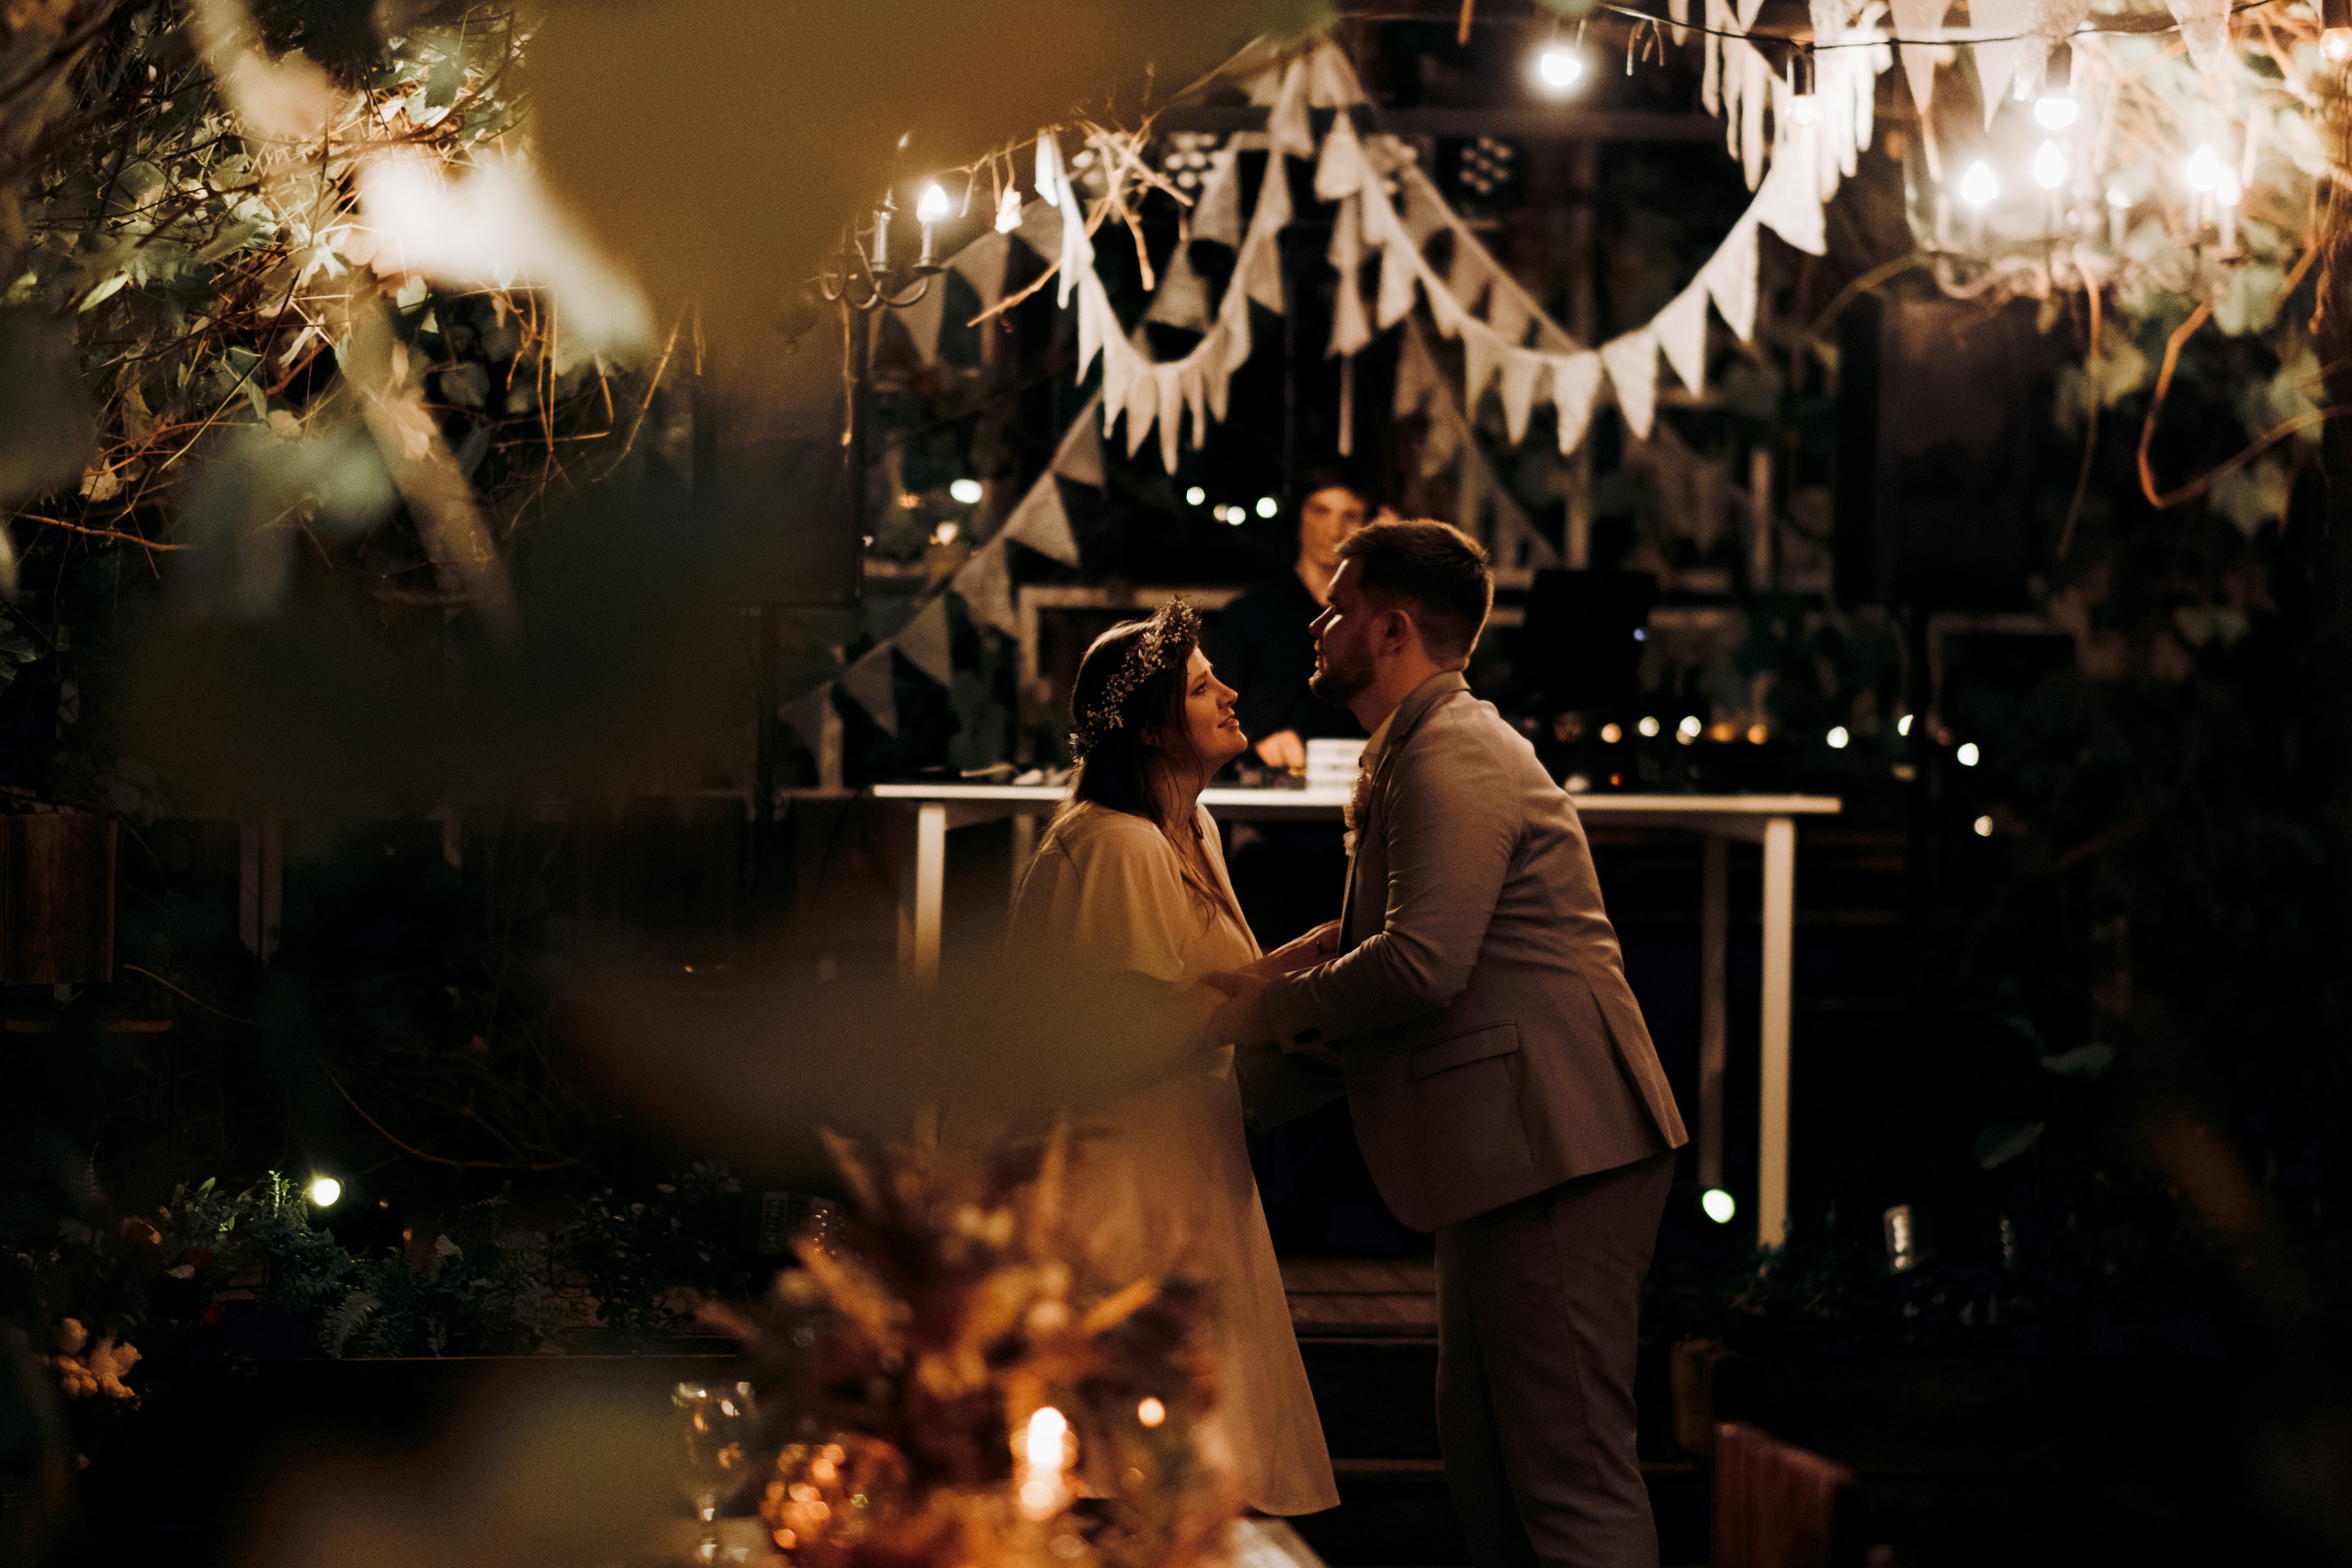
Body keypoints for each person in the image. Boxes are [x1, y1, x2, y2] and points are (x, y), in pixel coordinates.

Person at [1206, 520, 1690, 1568]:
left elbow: (1422, 960)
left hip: (1560, 1147)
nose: (1315, 624)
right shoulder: (1426, 742)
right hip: (1512, 1152)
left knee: (1565, 1478)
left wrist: (1260, 1015)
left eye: (1334, 609)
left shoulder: (1457, 751)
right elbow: (1386, 928)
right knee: (1484, 1459)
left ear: (1389, 631)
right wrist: (1274, 971)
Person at [1008, 601, 1339, 1518]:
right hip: (1129, 1168)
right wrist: (1309, 991)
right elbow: (1142, 1031)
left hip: (1189, 1150)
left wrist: (1300, 960)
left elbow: (1204, 994)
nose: (1231, 694)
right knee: (1137, 1434)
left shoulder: (1193, 831)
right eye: (1201, 687)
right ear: (1153, 729)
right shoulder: (1116, 846)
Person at [1205, 468, 1376, 775]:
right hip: (1272, 796)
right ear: (1300, 516)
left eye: (1349, 515)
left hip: (1365, 791)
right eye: (1321, 511)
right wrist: (1257, 739)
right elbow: (1212, 706)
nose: (1335, 529)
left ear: (1366, 524)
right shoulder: (1250, 614)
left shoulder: (1378, 618)